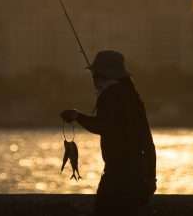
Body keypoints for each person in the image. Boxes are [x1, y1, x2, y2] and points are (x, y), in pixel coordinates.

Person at [61, 50, 156, 216]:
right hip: (139, 176)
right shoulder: (132, 96)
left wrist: (76, 116)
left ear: (101, 75)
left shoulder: (111, 95)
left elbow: (102, 125)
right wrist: (151, 178)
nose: (93, 78)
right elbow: (148, 142)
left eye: (94, 74)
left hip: (118, 177)